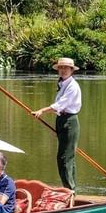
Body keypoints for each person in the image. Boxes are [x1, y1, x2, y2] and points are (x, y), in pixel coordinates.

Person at [31, 57, 82, 192]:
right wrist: (57, 128)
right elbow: (59, 108)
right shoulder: (62, 84)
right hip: (62, 120)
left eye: (66, 68)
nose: (63, 70)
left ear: (71, 70)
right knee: (67, 158)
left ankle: (70, 190)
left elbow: (60, 105)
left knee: (65, 159)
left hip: (70, 121)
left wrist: (42, 111)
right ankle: (71, 189)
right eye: (61, 68)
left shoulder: (72, 86)